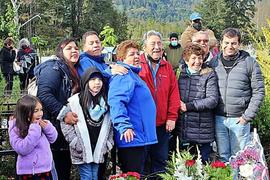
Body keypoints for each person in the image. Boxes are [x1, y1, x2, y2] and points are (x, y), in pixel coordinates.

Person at [209, 28, 265, 163]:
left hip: (239, 119)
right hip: (219, 118)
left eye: (233, 43)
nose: (230, 46)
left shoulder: (249, 63)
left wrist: (247, 117)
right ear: (221, 43)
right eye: (226, 43)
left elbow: (259, 91)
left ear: (239, 44)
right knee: (223, 157)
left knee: (239, 158)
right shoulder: (214, 63)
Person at [108, 40, 157, 174]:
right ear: (122, 58)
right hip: (132, 138)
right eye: (131, 54)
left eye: (137, 53)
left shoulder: (133, 75)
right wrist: (124, 126)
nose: (136, 57)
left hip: (141, 138)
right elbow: (116, 101)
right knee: (132, 175)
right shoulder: (123, 75)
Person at [35, 38, 80, 179]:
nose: (74, 50)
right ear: (60, 52)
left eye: (76, 48)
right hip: (52, 132)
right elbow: (44, 94)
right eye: (69, 48)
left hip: (61, 133)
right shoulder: (53, 67)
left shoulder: (69, 69)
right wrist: (64, 113)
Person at [57, 67, 113, 180]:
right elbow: (65, 123)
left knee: (95, 175)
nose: (97, 83)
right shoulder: (75, 102)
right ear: (86, 82)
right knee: (87, 176)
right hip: (81, 147)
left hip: (98, 145)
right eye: (92, 80)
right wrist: (74, 141)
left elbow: (110, 125)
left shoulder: (106, 101)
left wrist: (108, 143)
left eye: (99, 80)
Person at [139, 30, 180, 177]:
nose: (156, 47)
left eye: (159, 43)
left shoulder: (166, 66)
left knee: (160, 162)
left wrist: (172, 117)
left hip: (162, 125)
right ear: (144, 47)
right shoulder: (138, 64)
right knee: (141, 163)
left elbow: (174, 94)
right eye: (152, 44)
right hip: (142, 125)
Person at [177, 43, 218, 163]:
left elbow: (212, 100)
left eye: (200, 58)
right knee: (185, 167)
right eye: (193, 58)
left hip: (202, 131)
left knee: (203, 165)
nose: (197, 61)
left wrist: (188, 106)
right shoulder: (181, 74)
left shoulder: (209, 74)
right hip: (184, 130)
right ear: (186, 59)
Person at [9, 95, 58, 179]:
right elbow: (23, 149)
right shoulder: (16, 129)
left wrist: (48, 128)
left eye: (41, 110)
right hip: (29, 173)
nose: (40, 113)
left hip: (45, 169)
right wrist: (34, 129)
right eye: (36, 111)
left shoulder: (40, 124)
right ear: (25, 113)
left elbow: (53, 139)